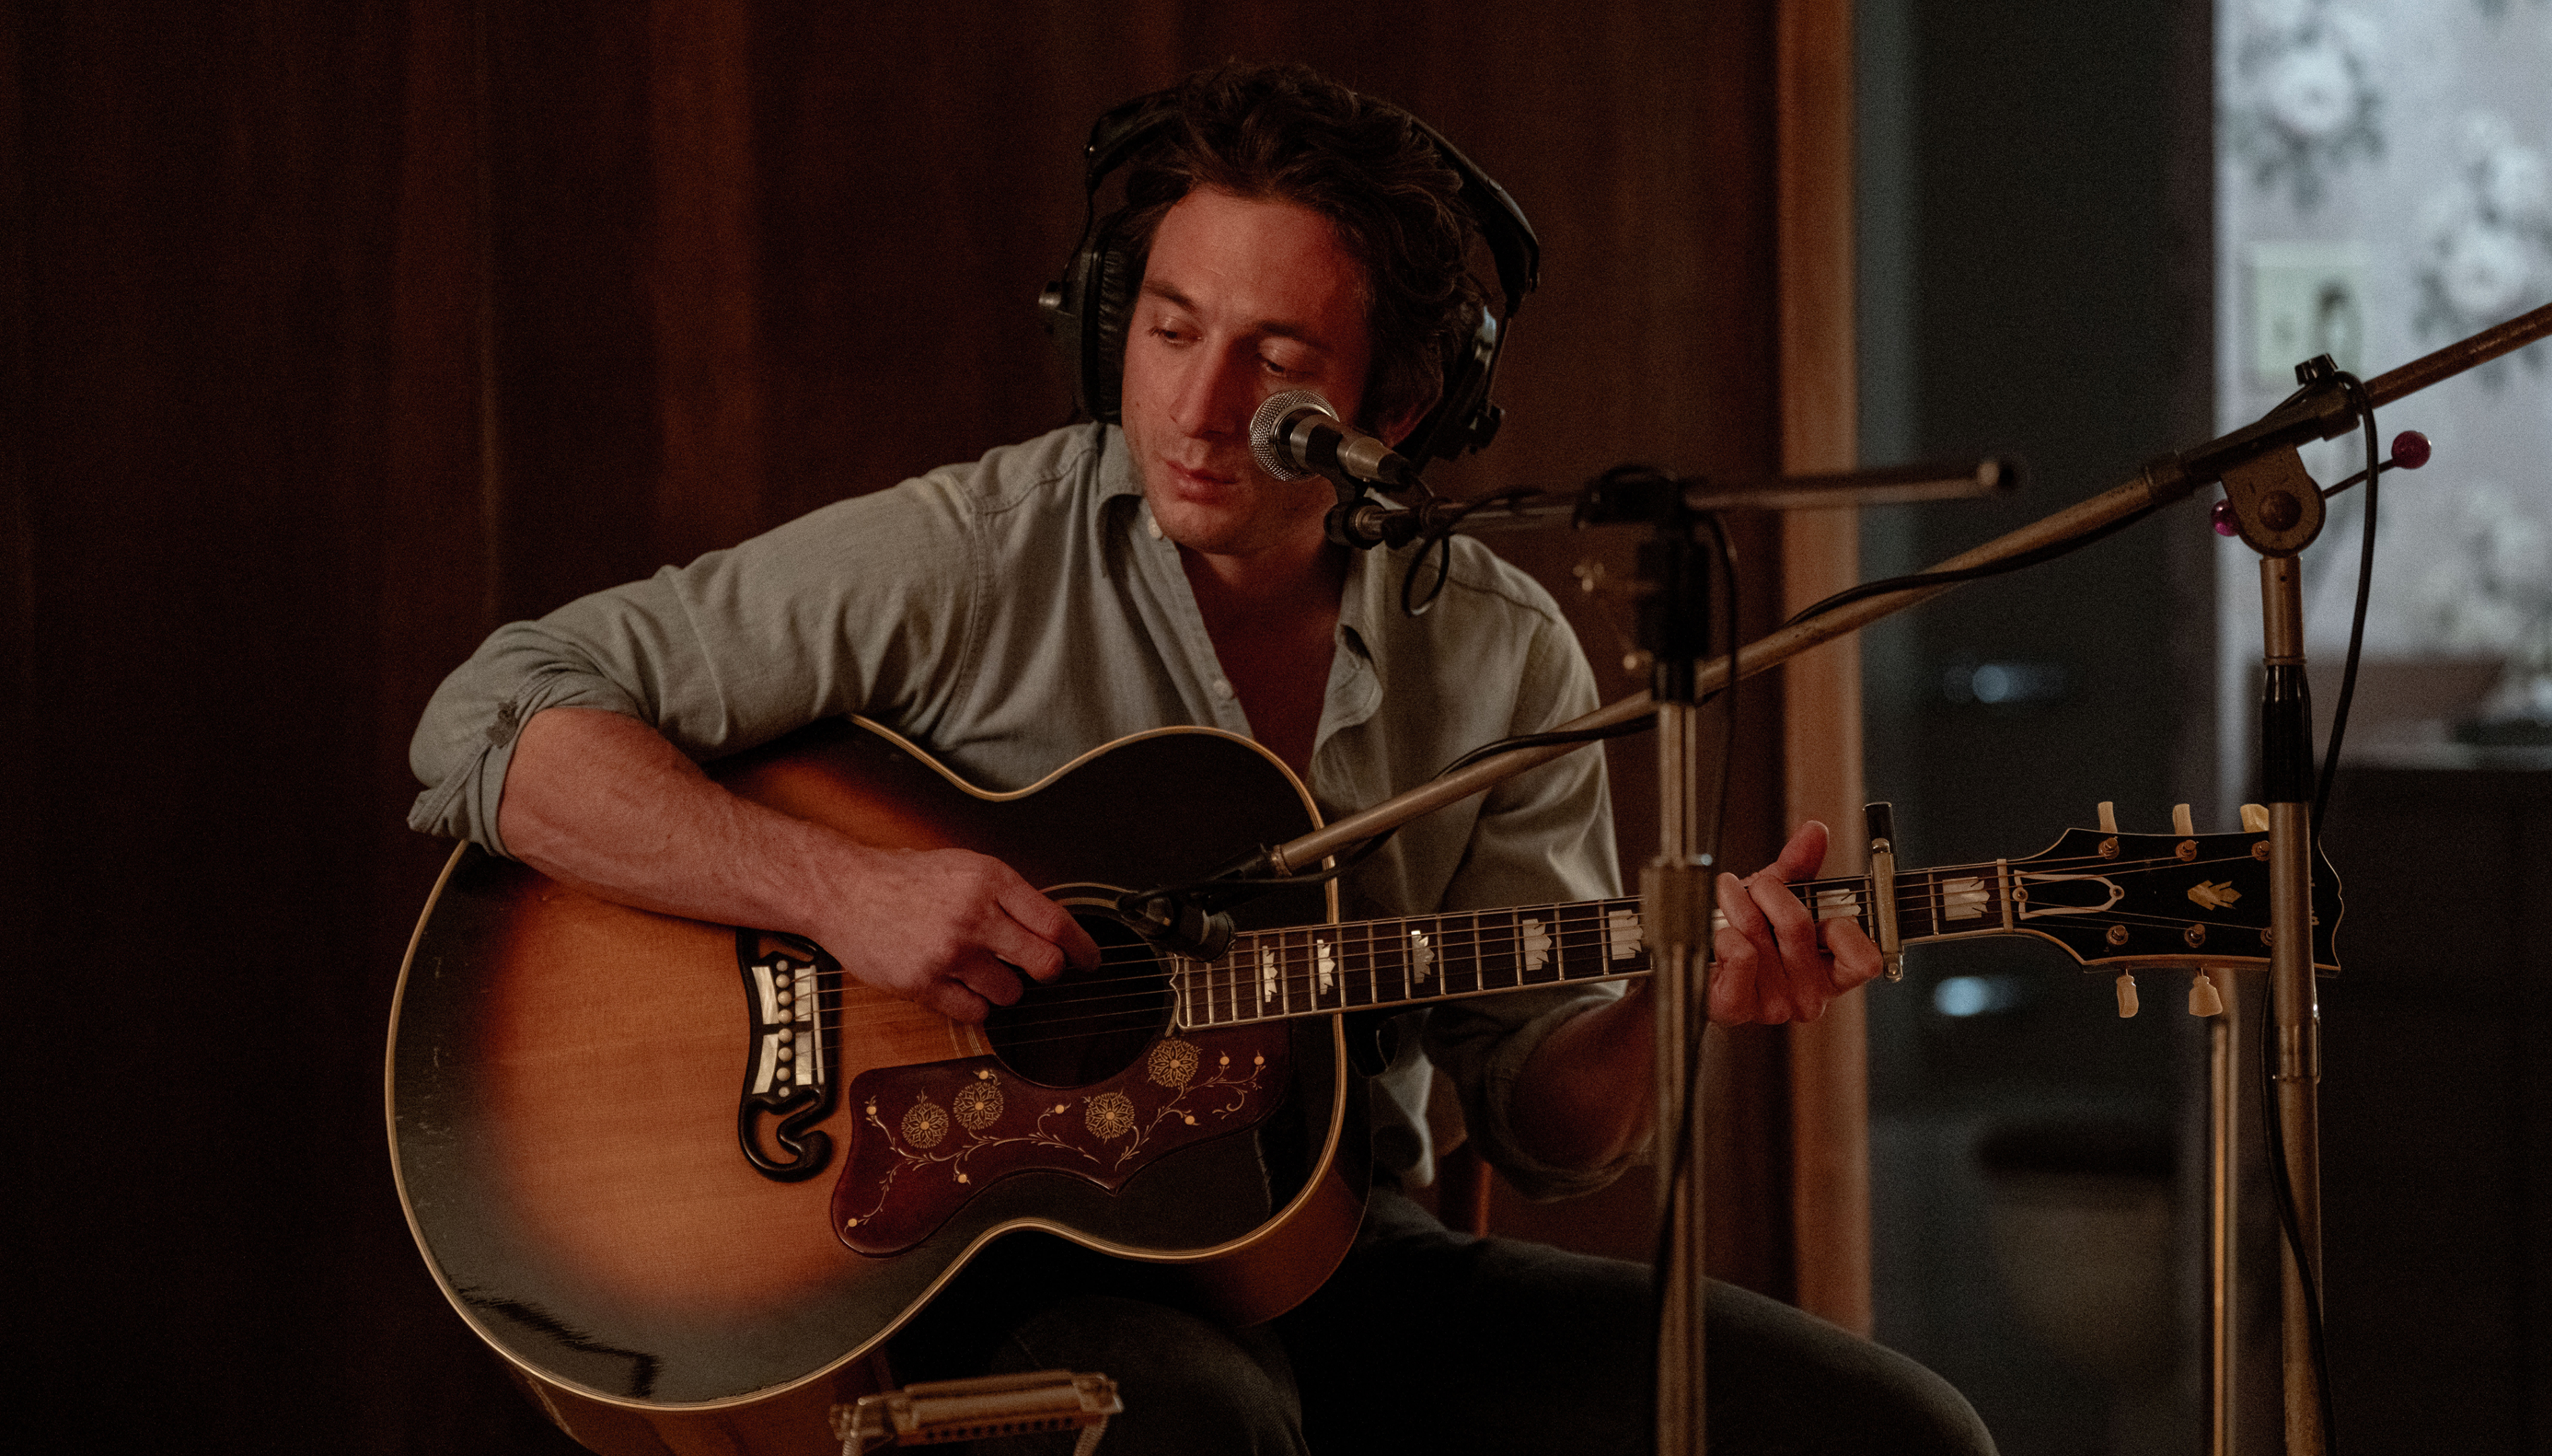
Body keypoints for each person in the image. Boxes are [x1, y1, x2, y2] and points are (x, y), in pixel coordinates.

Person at [408, 60, 1994, 1456]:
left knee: (1893, 1434)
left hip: (1324, 1252)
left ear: (1406, 401)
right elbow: (493, 720)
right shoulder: (975, 553)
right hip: (975, 1263)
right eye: (1168, 328)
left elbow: (1538, 1122)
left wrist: (1672, 998)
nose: (1198, 403)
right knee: (1196, 1423)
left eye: (1277, 357)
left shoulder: (1498, 650)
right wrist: (843, 894)